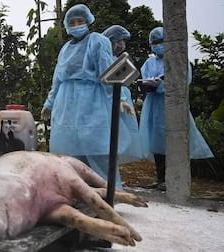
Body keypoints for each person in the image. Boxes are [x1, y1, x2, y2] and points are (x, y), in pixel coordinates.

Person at [40, 4, 136, 189]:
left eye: (80, 21)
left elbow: (109, 72)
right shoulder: (66, 48)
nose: (76, 25)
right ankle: (78, 194)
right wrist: (49, 102)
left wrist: (120, 98)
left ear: (88, 21)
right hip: (66, 103)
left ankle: (110, 194)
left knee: (98, 149)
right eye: (72, 22)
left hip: (92, 101)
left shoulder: (98, 41)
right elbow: (57, 78)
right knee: (69, 153)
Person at [139, 27, 214, 190]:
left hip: (173, 105)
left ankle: (176, 179)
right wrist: (149, 85)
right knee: (157, 144)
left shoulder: (179, 60)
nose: (158, 45)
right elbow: (144, 81)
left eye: (161, 41)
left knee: (173, 141)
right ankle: (160, 179)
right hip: (154, 107)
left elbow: (184, 81)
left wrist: (163, 85)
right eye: (154, 42)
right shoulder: (148, 63)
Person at [102, 25, 143, 164]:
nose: (122, 45)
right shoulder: (104, 57)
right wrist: (119, 98)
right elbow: (108, 83)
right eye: (119, 41)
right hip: (110, 100)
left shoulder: (115, 57)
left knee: (121, 135)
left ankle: (114, 169)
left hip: (121, 98)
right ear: (111, 40)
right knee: (110, 135)